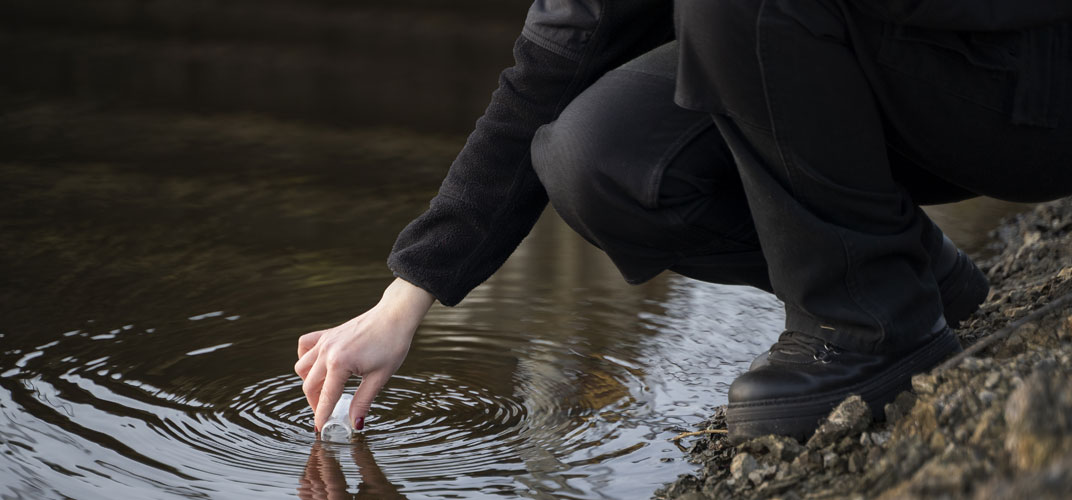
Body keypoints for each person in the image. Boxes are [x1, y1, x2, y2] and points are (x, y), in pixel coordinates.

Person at [295, 0, 1072, 441]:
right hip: (887, 66)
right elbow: (556, 59)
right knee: (597, 156)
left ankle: (869, 327)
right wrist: (405, 299)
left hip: (1025, 76)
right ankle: (902, 269)